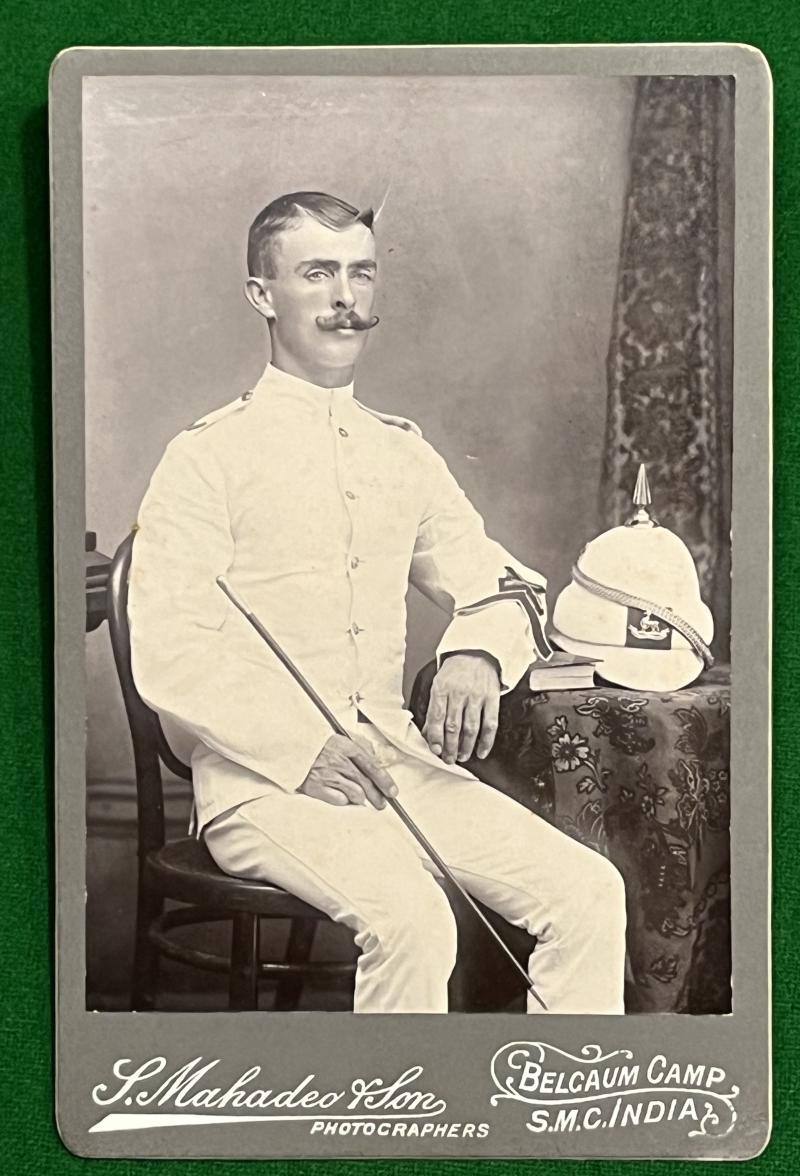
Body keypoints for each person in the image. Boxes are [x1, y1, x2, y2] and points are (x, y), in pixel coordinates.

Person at [128, 191, 627, 1014]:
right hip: (266, 787)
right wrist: (301, 747)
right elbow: (170, 649)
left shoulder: (403, 453)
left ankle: (553, 1130)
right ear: (263, 294)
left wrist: (474, 649)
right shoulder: (207, 458)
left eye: (361, 272)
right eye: (318, 272)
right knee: (414, 921)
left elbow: (503, 583)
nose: (344, 297)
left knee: (588, 891)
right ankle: (397, 1137)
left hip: (398, 766)